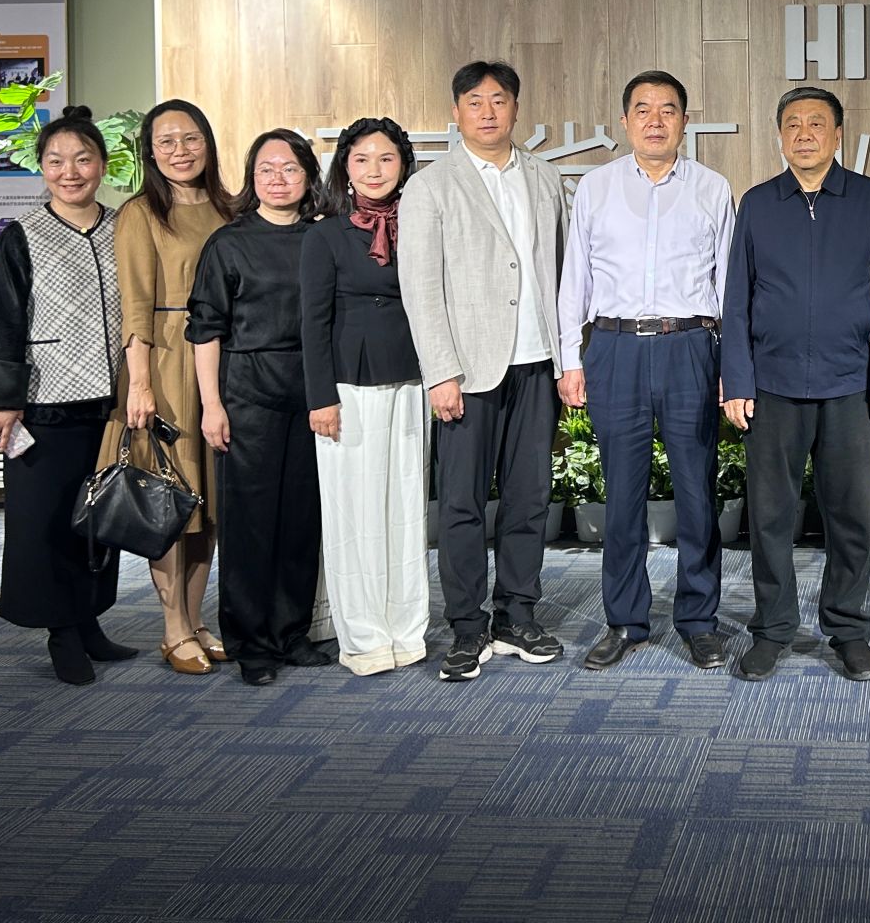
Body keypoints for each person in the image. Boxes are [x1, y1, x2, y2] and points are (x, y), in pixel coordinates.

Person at [721, 87, 870, 683]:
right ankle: (773, 629)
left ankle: (847, 630)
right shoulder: (758, 203)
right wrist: (737, 380)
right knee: (770, 516)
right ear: (780, 137)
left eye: (817, 124)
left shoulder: (868, 199)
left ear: (838, 135)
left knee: (849, 515)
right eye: (793, 124)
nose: (804, 134)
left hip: (850, 384)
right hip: (772, 386)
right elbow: (737, 300)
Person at [556, 71, 736, 671]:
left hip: (691, 346)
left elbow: (730, 286)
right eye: (643, 109)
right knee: (623, 496)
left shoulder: (712, 188)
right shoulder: (596, 188)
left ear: (685, 120)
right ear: (625, 122)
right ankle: (625, 620)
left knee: (697, 494)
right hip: (616, 349)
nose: (655, 120)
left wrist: (731, 368)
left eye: (668, 110)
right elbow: (574, 281)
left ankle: (698, 620)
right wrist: (570, 359)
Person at [400, 60, 570, 683]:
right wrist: (440, 372)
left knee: (529, 498)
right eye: (475, 101)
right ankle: (467, 626)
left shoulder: (546, 177)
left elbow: (563, 273)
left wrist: (567, 358)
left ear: (516, 108)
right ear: (456, 112)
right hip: (467, 370)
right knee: (462, 504)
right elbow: (420, 288)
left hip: (537, 363)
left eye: (499, 100)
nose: (488, 111)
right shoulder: (431, 186)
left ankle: (517, 614)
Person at [0, 106, 131, 685]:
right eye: (56, 161)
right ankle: (61, 632)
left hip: (111, 406)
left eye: (83, 159)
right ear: (42, 168)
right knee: (45, 522)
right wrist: (1, 399)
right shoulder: (22, 237)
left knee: (99, 520)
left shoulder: (125, 228)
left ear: (102, 164)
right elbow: (0, 320)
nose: (70, 172)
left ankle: (89, 621)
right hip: (44, 403)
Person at [189, 129, 332, 686]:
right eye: (266, 169)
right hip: (247, 392)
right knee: (249, 524)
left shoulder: (322, 237)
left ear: (308, 176)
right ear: (251, 178)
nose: (278, 179)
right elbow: (206, 329)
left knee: (301, 519)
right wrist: (212, 405)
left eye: (290, 168)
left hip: (311, 393)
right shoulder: (228, 243)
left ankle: (292, 634)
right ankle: (251, 643)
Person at [101, 98, 237, 675]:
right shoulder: (140, 213)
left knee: (209, 501)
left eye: (191, 139)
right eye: (166, 142)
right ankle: (172, 626)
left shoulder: (231, 207)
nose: (180, 151)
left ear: (208, 143)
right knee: (170, 498)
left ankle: (197, 619)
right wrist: (140, 384)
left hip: (226, 361)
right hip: (165, 363)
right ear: (150, 153)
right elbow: (134, 305)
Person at [300, 116, 429, 676]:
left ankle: (407, 630)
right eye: (361, 159)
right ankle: (363, 637)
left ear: (404, 165)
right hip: (348, 390)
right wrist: (320, 397)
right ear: (345, 169)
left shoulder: (422, 224)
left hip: (413, 381)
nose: (374, 170)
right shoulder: (324, 235)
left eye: (386, 158)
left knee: (405, 511)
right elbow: (312, 323)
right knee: (354, 514)